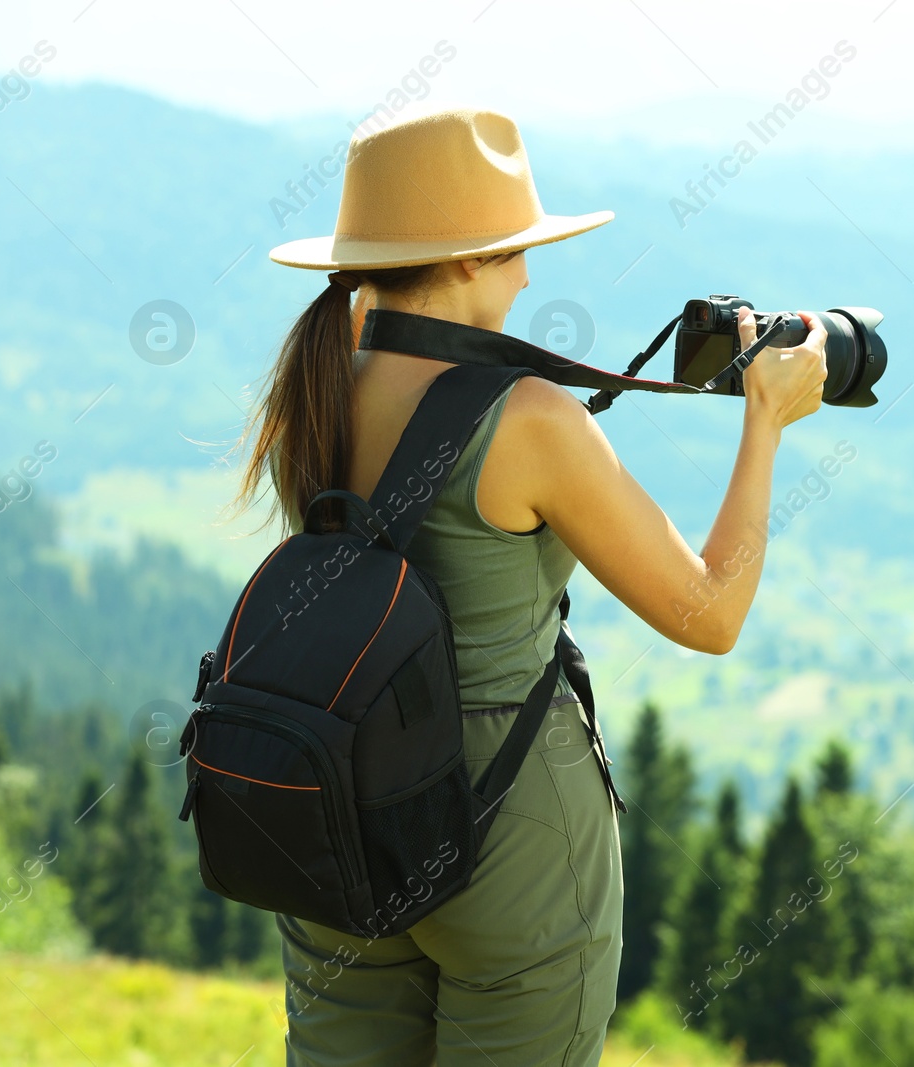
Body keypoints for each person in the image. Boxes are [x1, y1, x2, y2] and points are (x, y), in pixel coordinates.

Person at [232, 107, 827, 1066]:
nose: (528, 270)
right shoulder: (529, 416)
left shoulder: (313, 387)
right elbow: (711, 613)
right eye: (515, 248)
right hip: (510, 833)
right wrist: (766, 423)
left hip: (337, 804)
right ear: (468, 260)